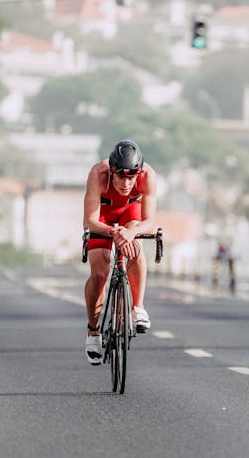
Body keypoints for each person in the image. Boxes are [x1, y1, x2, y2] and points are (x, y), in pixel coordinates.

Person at [82, 139, 157, 365]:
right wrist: (114, 232)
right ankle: (93, 331)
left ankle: (138, 307)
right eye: (121, 177)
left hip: (129, 215)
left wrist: (130, 233)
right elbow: (89, 220)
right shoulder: (98, 175)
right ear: (112, 171)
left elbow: (150, 221)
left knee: (134, 246)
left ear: (138, 172)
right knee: (100, 273)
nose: (126, 183)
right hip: (103, 217)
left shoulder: (147, 176)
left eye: (131, 177)